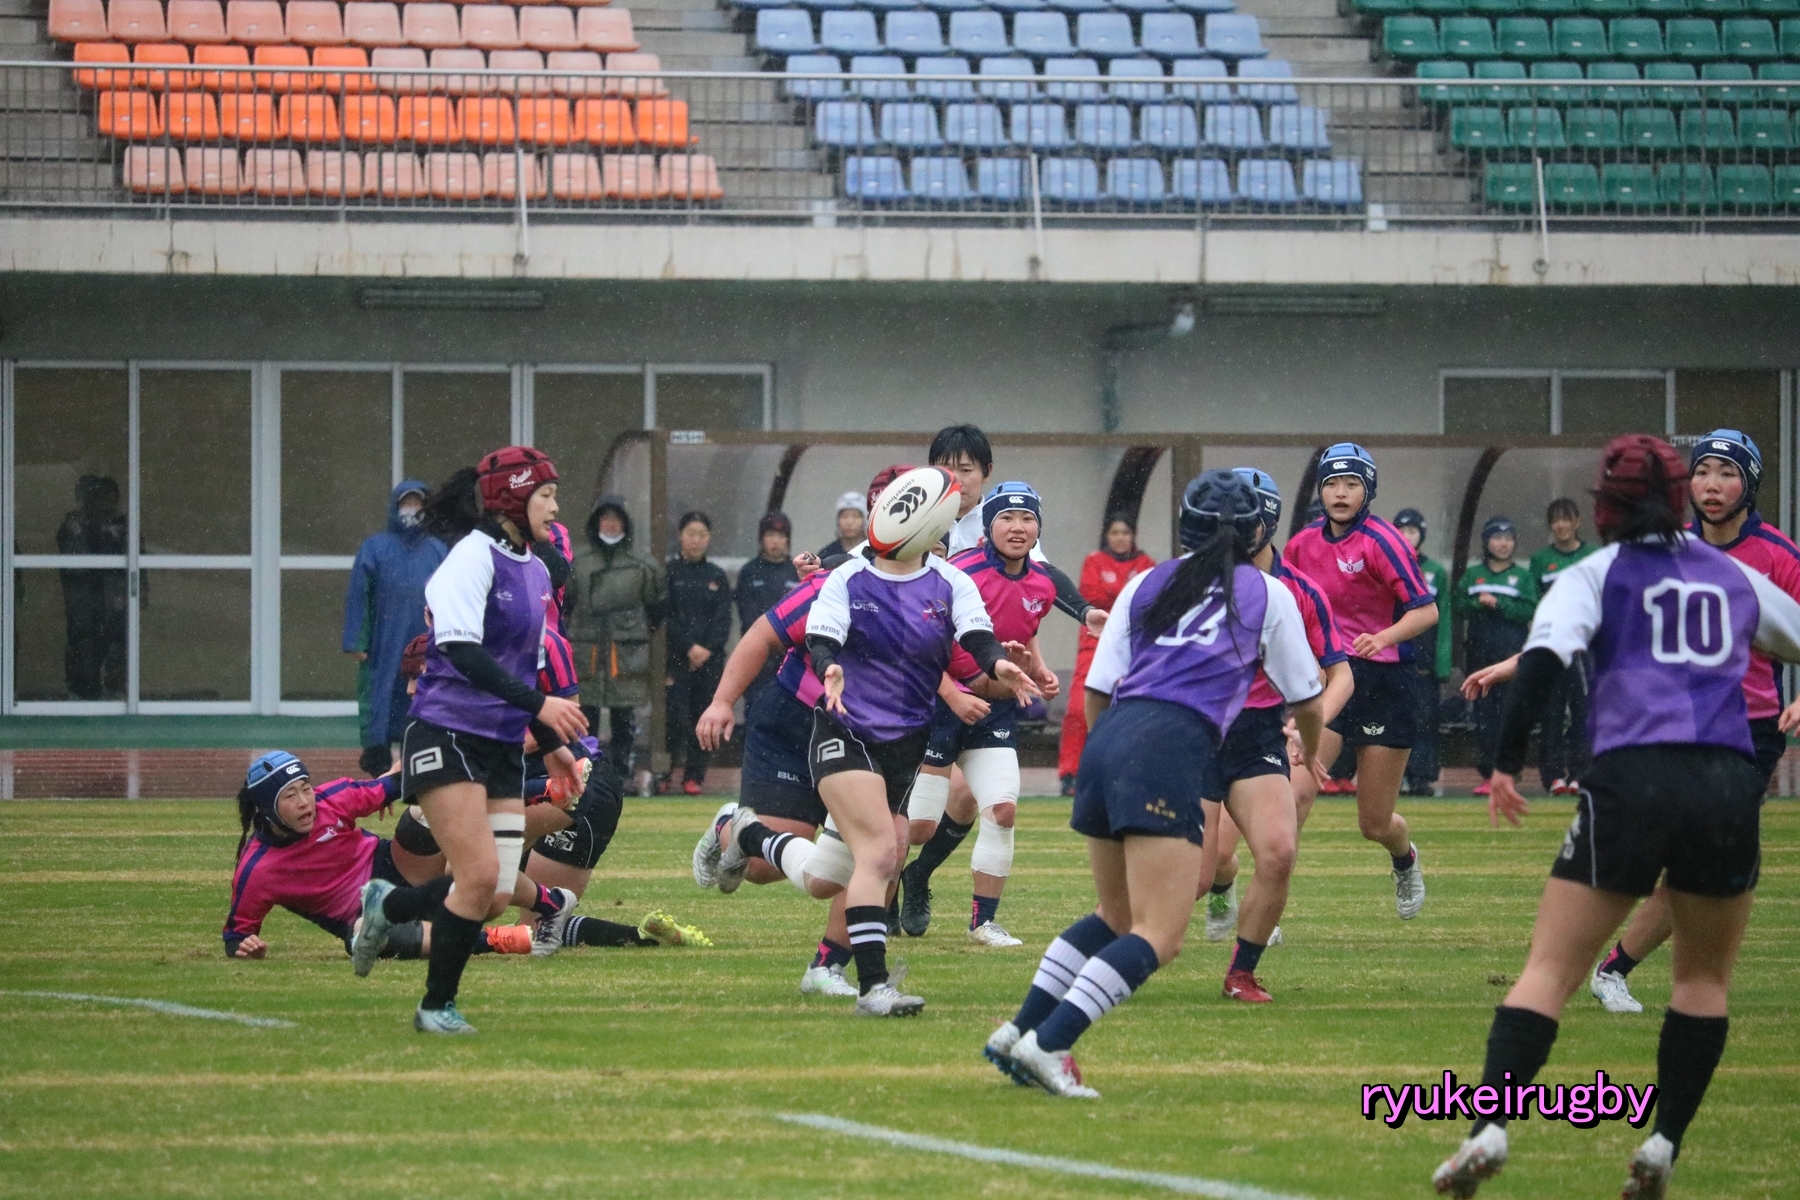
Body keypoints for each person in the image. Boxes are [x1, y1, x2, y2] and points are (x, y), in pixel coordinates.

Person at [1430, 435, 1800, 1200]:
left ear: (1605, 507)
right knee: (1703, 980)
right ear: (1679, 497)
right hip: (1726, 781)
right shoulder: (1733, 574)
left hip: (1633, 778)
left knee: (1550, 970)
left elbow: (1543, 665)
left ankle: (1488, 1129)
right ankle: (1663, 1144)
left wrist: (1505, 765)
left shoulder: (1595, 573)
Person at [985, 471, 1325, 1098]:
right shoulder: (1268, 592)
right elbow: (1307, 695)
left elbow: (1097, 689)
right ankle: (1050, 1044)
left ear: (1186, 528)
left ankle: (1017, 1031)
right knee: (1160, 936)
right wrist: (1308, 740)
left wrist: (1115, 756)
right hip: (1170, 746)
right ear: (1258, 531)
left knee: (1114, 915)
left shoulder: (1146, 582)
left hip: (1110, 739)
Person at [767, 466, 1039, 1016]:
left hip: (904, 746)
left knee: (827, 877)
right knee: (881, 851)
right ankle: (874, 988)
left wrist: (1000, 667)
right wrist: (829, 667)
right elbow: (821, 639)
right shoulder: (846, 578)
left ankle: (746, 834)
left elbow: (978, 638)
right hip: (844, 732)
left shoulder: (951, 582)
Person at [350, 446, 588, 1035]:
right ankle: (436, 1007)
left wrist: (549, 743)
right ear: (513, 499)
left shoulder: (535, 570)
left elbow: (526, 667)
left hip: (501, 745)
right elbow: (458, 649)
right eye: (546, 495)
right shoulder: (471, 557)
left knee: (497, 893)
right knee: (477, 876)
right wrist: (541, 706)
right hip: (447, 733)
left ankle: (387, 904)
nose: (555, 508)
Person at [1584, 430, 1800, 1016]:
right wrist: (1519, 663)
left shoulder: (1778, 555)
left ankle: (1616, 969)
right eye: (1702, 472)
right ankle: (1616, 968)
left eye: (1727, 474)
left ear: (1749, 485)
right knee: (1694, 858)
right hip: (1675, 723)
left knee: (1704, 858)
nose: (1712, 485)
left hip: (1749, 730)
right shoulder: (1666, 548)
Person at [690, 468, 922, 999]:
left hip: (872, 734)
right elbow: (762, 635)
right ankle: (735, 828)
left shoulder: (942, 585)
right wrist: (722, 701)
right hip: (797, 723)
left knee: (885, 851)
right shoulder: (835, 582)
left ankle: (827, 968)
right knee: (765, 871)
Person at [1196, 468, 1353, 996]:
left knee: (1279, 851)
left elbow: (1340, 675)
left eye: (1245, 520)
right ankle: (1105, 936)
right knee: (1195, 876)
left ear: (1266, 522)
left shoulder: (1298, 591)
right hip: (1196, 733)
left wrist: (1307, 728)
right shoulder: (1187, 583)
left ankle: (1241, 972)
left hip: (1258, 735)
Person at [897, 481, 1066, 949]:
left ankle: (982, 922)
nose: (1018, 527)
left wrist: (1039, 668)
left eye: (1027, 518)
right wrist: (954, 696)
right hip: (940, 705)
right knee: (919, 826)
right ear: (988, 525)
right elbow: (917, 647)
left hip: (995, 710)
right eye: (1006, 518)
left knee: (1003, 809)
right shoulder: (957, 574)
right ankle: (883, 891)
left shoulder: (1043, 582)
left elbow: (1025, 630)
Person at [1283, 444, 1438, 919]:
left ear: (1367, 490)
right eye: (1331, 483)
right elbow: (1288, 609)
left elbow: (1427, 611)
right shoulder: (1301, 545)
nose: (1340, 493)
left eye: (1351, 484)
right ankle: (1268, 912)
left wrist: (1383, 637)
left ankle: (1404, 858)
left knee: (1374, 823)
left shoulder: (1384, 541)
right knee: (1293, 796)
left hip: (1384, 682)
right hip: (1330, 678)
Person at [224, 751, 552, 961]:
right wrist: (246, 948)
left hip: (398, 870)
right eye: (290, 796)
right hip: (365, 915)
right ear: (266, 808)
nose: (304, 802)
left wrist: (536, 790)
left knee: (425, 810)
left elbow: (409, 783)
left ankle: (550, 895)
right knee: (367, 933)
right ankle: (494, 940)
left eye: (306, 788)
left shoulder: (332, 799)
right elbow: (236, 936)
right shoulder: (257, 870)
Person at [343, 480, 446, 778]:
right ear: (395, 507)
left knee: (420, 696)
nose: (411, 510)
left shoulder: (437, 550)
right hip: (384, 640)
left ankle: (418, 760)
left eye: (417, 504)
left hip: (425, 640)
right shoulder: (375, 548)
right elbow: (359, 595)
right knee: (380, 696)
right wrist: (357, 641)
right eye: (406, 504)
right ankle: (377, 759)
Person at [567, 495, 665, 795]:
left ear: (625, 524)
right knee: (586, 715)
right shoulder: (578, 563)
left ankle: (621, 775)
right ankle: (586, 772)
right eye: (605, 518)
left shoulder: (643, 565)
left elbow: (657, 608)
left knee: (624, 716)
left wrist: (632, 632)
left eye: (616, 519)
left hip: (626, 652)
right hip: (587, 650)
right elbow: (566, 604)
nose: (610, 525)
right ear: (595, 523)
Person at [1057, 514, 1156, 797]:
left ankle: (1131, 769)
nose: (1120, 538)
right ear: (1107, 536)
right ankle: (1070, 773)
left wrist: (1113, 593)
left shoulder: (1146, 564)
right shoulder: (1094, 560)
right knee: (1078, 709)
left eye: (1125, 532)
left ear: (1133, 535)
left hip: (1133, 644)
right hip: (1094, 643)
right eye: (1115, 532)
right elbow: (1091, 595)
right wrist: (1124, 593)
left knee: (1134, 708)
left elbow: (1147, 601)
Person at [1454, 517, 1538, 796]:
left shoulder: (1523, 577)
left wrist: (1499, 603)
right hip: (1480, 656)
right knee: (1484, 717)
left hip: (1511, 657)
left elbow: (1530, 610)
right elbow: (1458, 605)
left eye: (1508, 538)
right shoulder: (1473, 574)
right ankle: (1489, 773)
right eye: (1497, 538)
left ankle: (1509, 772)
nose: (1503, 544)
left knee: (1510, 716)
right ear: (1486, 542)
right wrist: (1477, 603)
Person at [1525, 498, 1595, 797]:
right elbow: (1533, 604)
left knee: (1584, 710)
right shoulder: (1541, 560)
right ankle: (1553, 776)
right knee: (1551, 712)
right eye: (1556, 520)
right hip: (1552, 646)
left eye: (1566, 519)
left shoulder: (1592, 555)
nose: (1561, 525)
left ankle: (1581, 774)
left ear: (1577, 522)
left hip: (1585, 647)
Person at [663, 511, 732, 795]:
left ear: (709, 538)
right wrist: (688, 647)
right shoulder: (669, 572)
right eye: (691, 534)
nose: (696, 540)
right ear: (680, 536)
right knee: (674, 717)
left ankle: (695, 776)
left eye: (702, 535)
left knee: (704, 717)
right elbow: (666, 616)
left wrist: (706, 649)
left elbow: (723, 620)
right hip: (676, 659)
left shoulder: (716, 576)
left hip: (710, 661)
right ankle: (665, 772)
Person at [55, 474, 130, 701]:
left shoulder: (121, 526)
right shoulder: (74, 525)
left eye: (112, 500)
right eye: (101, 499)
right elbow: (73, 562)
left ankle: (115, 691)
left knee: (117, 644)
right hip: (84, 598)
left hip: (115, 597)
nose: (107, 505)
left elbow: (136, 557)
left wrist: (139, 587)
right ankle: (82, 692)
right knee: (84, 643)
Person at [1394, 508, 1452, 798]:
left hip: (1424, 662)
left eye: (1413, 531)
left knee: (1426, 721)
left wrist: (1442, 663)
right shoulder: (1386, 564)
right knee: (1395, 720)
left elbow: (1444, 621)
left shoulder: (1436, 572)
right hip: (1393, 659)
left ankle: (1422, 776)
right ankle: (1396, 777)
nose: (1407, 537)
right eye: (1402, 531)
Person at [733, 511, 800, 713]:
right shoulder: (749, 572)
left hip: (789, 654)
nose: (775, 541)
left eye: (780, 536)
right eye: (770, 535)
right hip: (757, 652)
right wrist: (765, 640)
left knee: (788, 710)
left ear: (788, 540)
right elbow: (746, 613)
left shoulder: (796, 572)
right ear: (761, 539)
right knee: (756, 707)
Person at [819, 492, 867, 558]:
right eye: (844, 516)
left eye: (856, 516)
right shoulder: (827, 555)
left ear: (864, 520)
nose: (849, 522)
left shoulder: (875, 554)